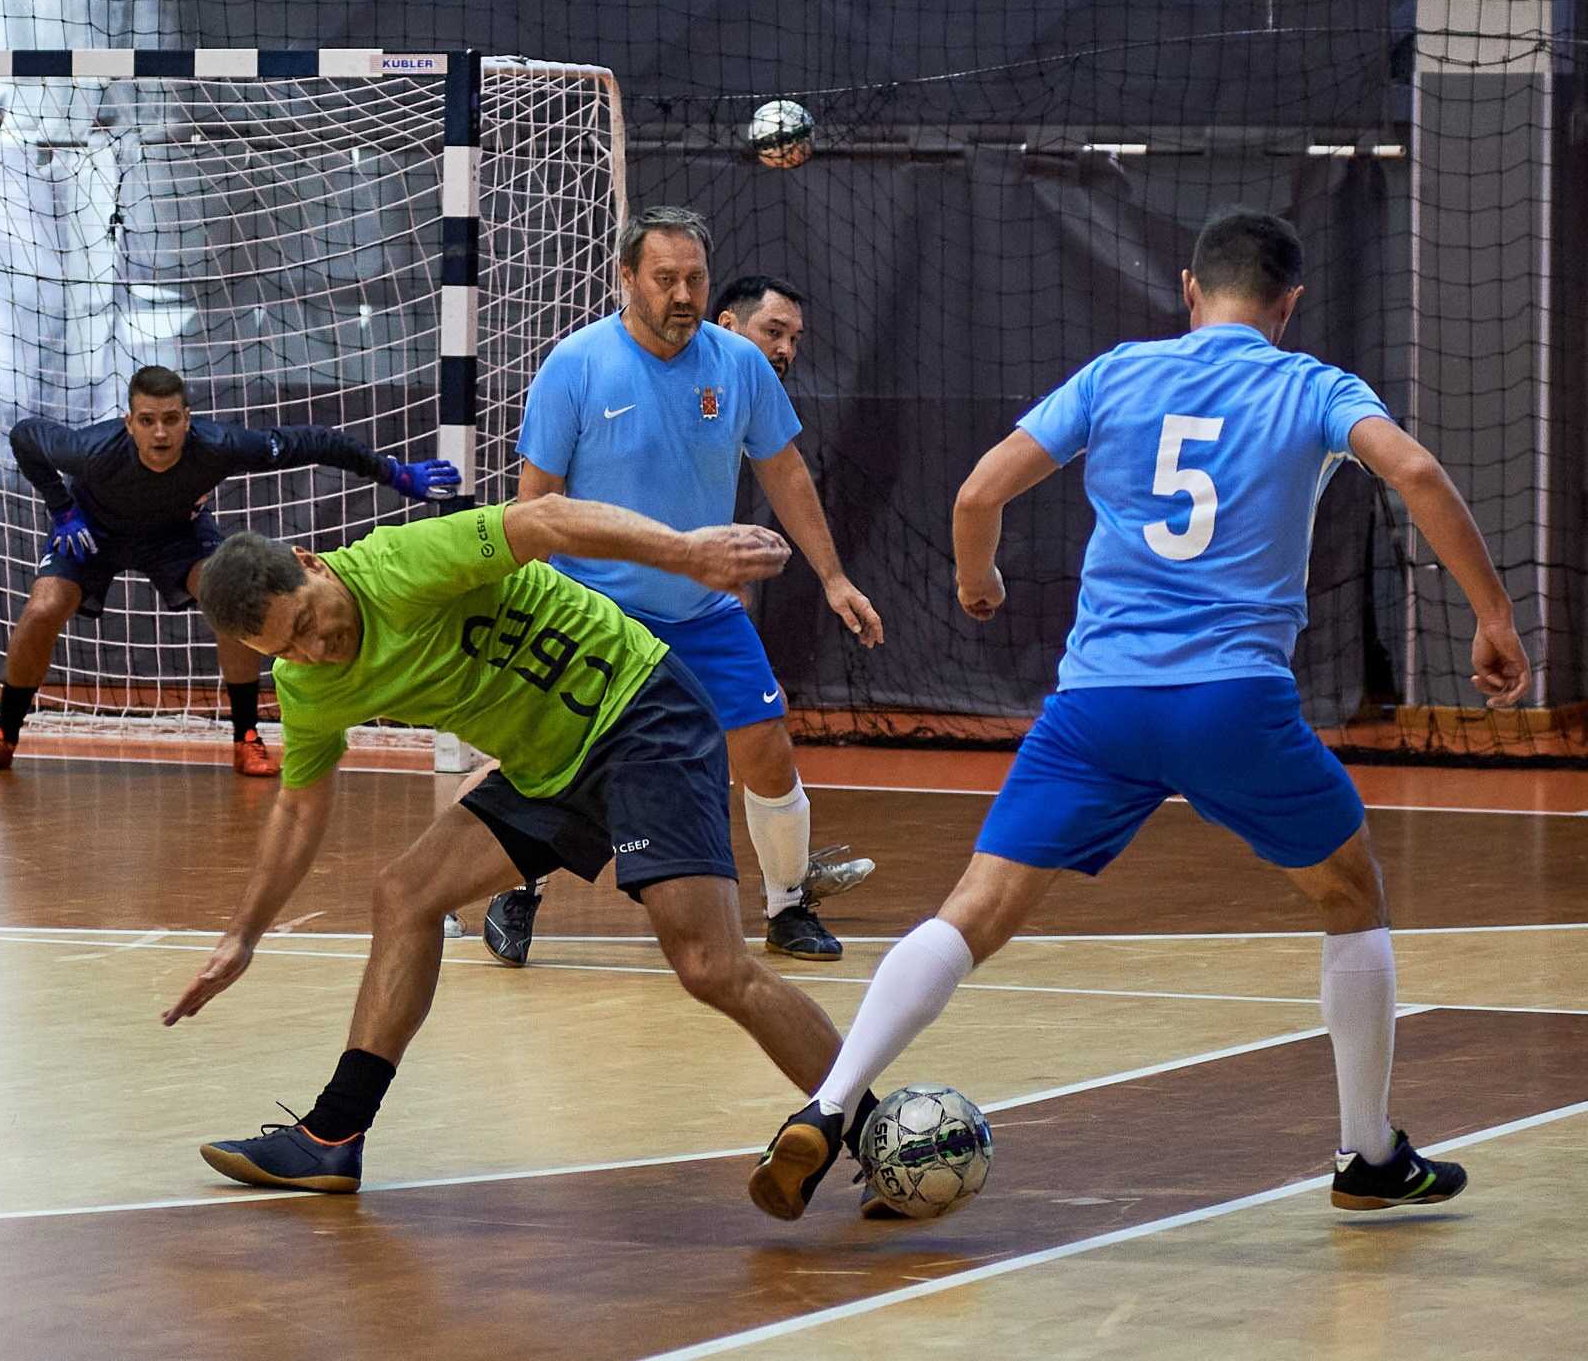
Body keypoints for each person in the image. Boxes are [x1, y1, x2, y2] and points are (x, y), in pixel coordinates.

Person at [747, 206, 1531, 1222]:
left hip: (1095, 703)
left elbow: (979, 489)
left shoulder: (1117, 371)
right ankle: (1367, 1151)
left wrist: (976, 581)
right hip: (1230, 701)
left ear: (1187, 288)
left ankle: (828, 1097)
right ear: (1286, 305)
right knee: (1347, 893)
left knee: (971, 911)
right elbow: (1416, 472)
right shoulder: (1310, 385)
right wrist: (1493, 616)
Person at [161, 495, 845, 1193]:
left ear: (313, 565)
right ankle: (332, 1135)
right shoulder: (308, 683)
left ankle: (873, 1123)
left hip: (639, 713)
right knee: (404, 895)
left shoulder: (400, 564)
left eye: (308, 621)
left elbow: (545, 518)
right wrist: (243, 935)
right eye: (287, 647)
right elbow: (301, 808)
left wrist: (686, 552)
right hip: (547, 768)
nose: (315, 648)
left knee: (709, 965)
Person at [482, 210, 885, 970]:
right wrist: (530, 607)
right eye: (664, 278)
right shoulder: (575, 365)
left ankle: (788, 907)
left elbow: (785, 470)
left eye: (694, 278)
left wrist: (832, 577)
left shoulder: (738, 363)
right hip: (594, 607)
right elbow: (534, 506)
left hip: (701, 609)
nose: (682, 294)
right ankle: (517, 888)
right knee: (555, 762)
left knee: (767, 747)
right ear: (627, 278)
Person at [0, 366, 458, 775]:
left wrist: (391, 472)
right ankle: (3, 735)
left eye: (171, 419)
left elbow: (312, 441)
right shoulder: (90, 450)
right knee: (44, 608)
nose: (160, 432)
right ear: (129, 423)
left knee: (234, 599)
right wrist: (62, 508)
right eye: (148, 420)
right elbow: (25, 436)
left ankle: (246, 737)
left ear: (188, 420)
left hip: (177, 537)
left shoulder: (218, 446)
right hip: (92, 535)